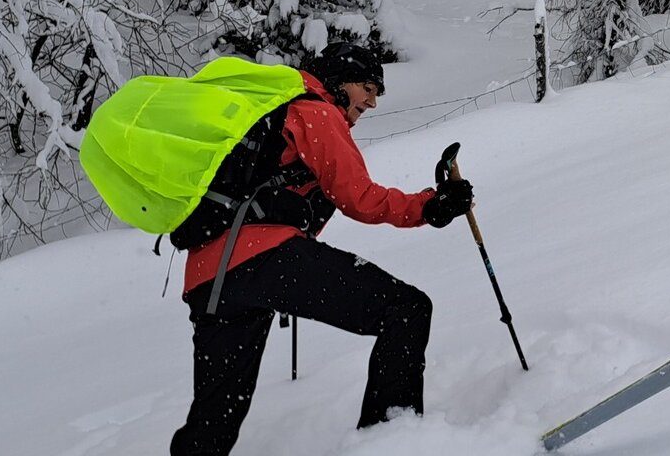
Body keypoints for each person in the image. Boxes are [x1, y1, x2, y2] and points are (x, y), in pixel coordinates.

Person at [169, 42, 476, 456]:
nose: (372, 100)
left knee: (216, 417)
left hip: (211, 281)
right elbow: (360, 197)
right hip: (264, 258)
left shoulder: (278, 119)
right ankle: (392, 444)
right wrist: (430, 206)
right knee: (405, 309)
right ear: (339, 80)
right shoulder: (316, 110)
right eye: (368, 86)